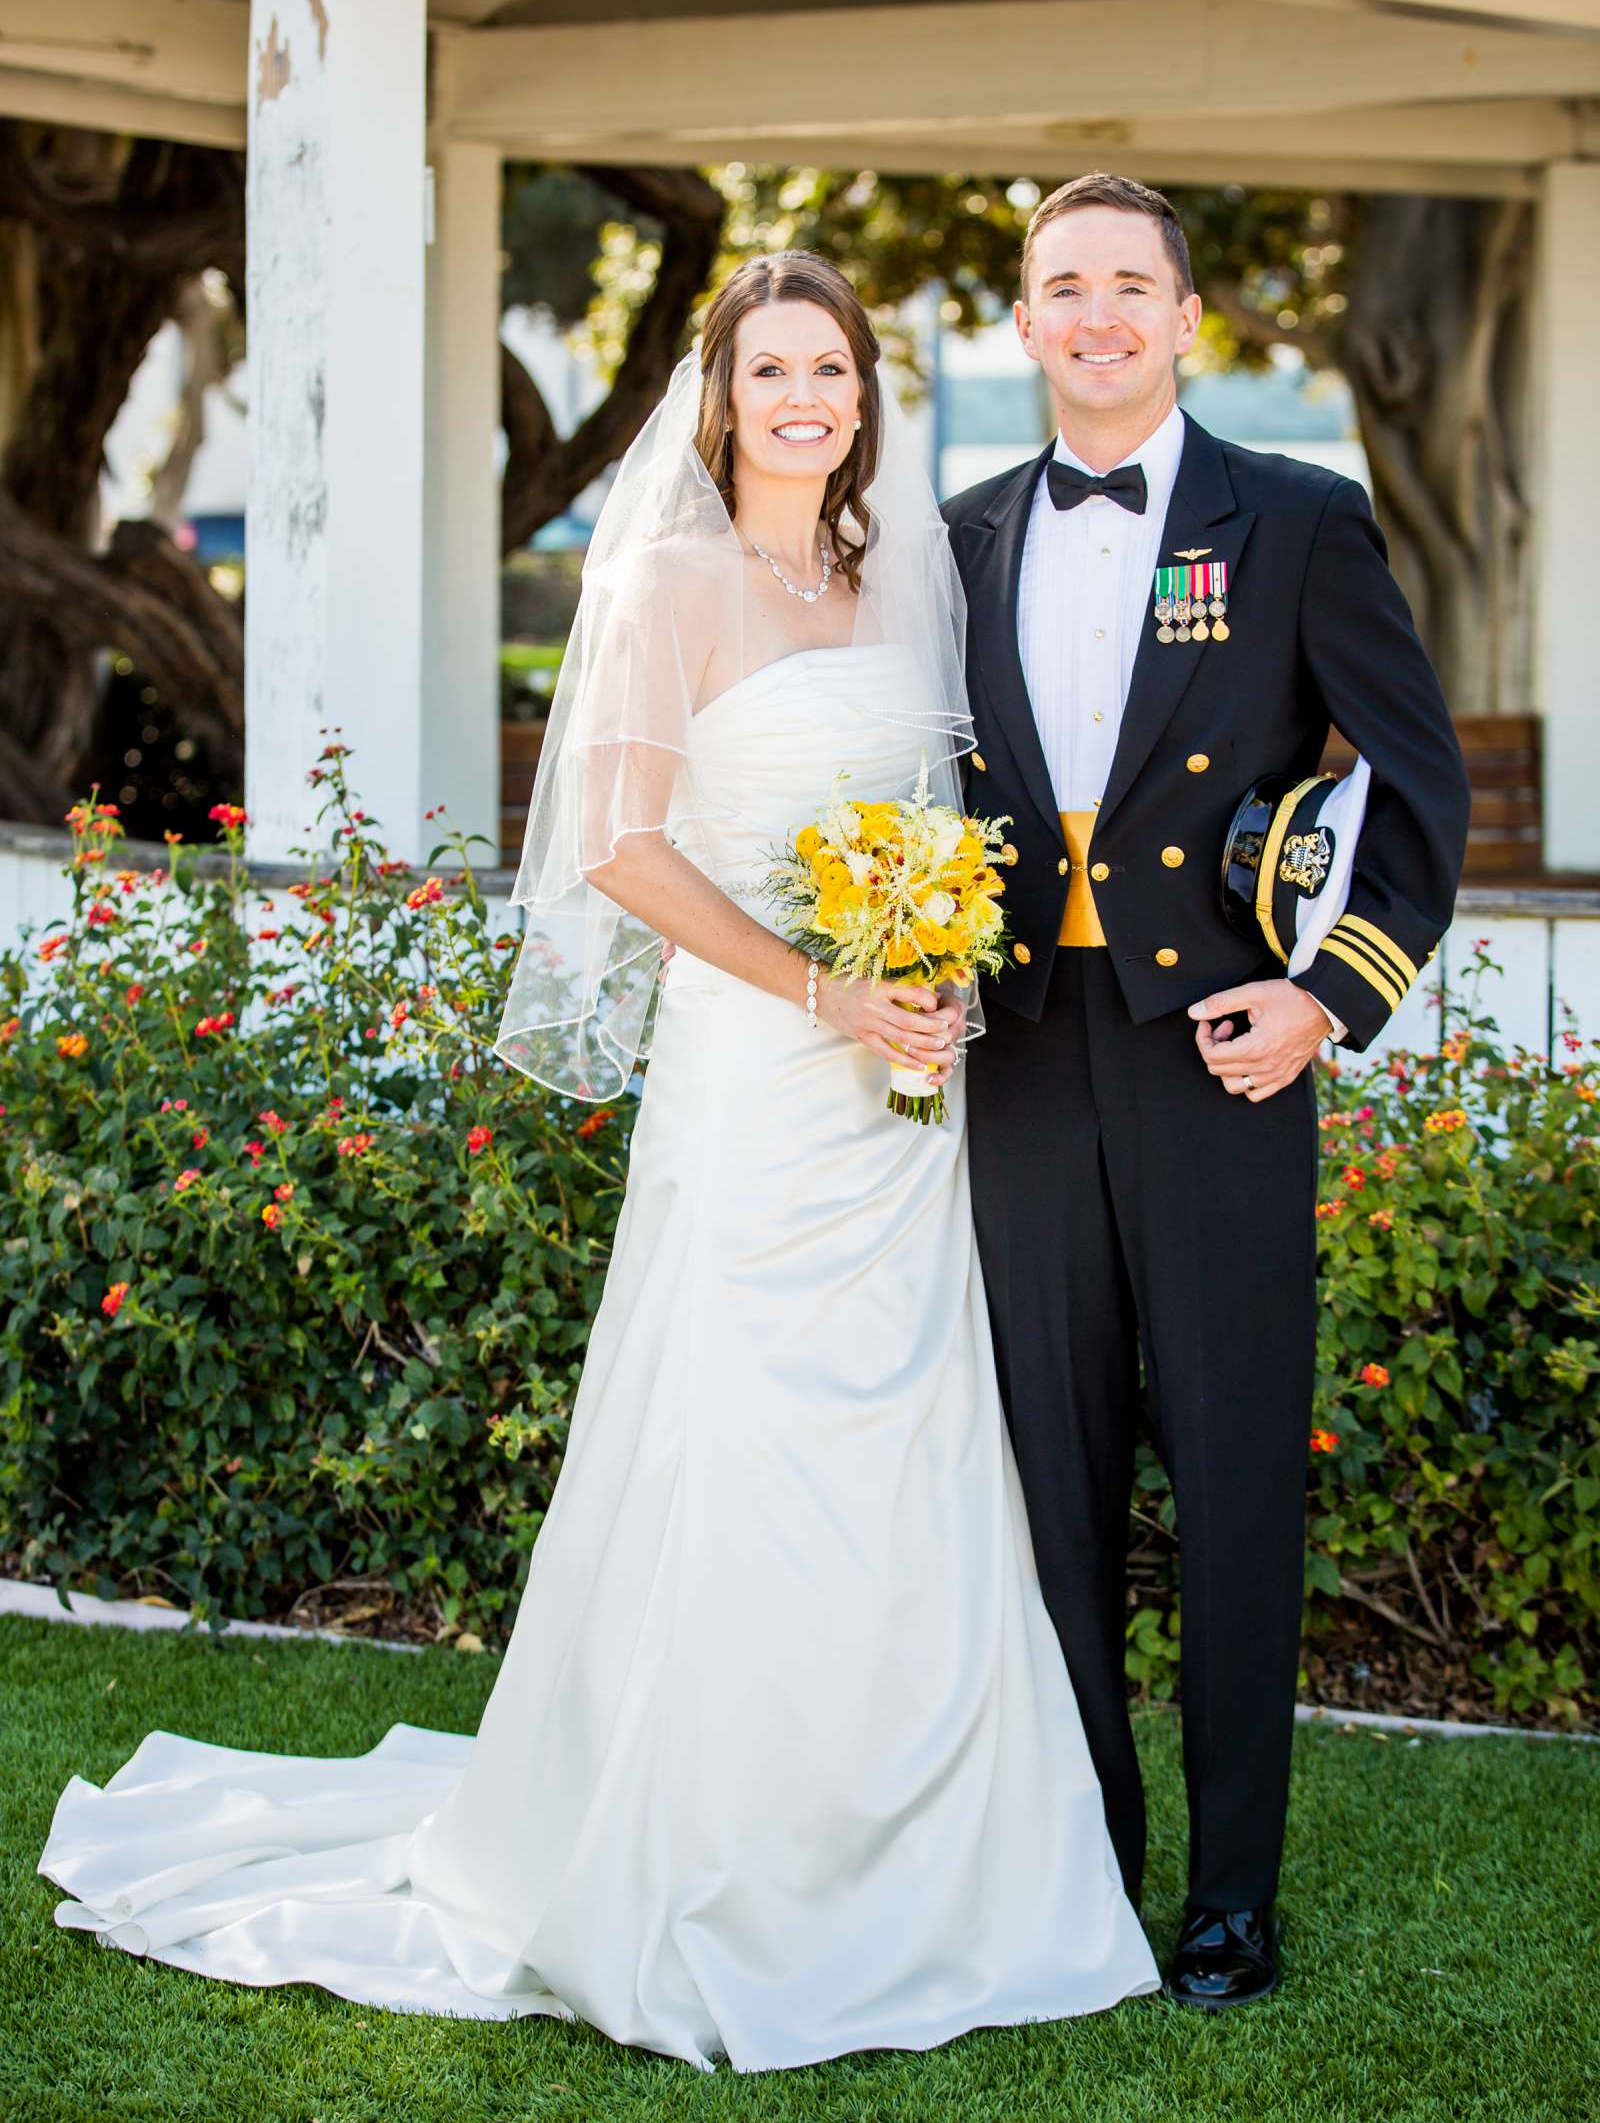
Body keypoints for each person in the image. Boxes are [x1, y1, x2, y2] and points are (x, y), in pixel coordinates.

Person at [39, 254, 1157, 2073]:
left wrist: (926, 966)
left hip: (902, 1103)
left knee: (908, 1449)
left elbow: (951, 823)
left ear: (866, 396)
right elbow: (625, 853)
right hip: (758, 1081)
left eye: (832, 371)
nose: (805, 399)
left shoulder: (906, 576)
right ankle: (710, 1864)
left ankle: (937, 1874)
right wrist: (826, 988)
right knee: (746, 1444)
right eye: (770, 371)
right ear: (717, 401)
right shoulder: (667, 582)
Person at [945, 174, 1470, 2010]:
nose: (1094, 316)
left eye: (1127, 287)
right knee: (1055, 1478)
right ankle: (1092, 1861)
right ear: (1026, 323)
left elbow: (1420, 793)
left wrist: (1330, 997)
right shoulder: (958, 538)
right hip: (1014, 1061)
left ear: (1185, 320)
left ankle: (1232, 1897)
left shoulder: (1303, 521)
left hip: (1222, 1062)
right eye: (1060, 286)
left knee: (1239, 1479)